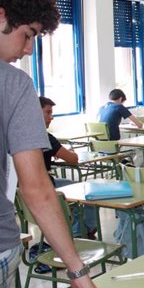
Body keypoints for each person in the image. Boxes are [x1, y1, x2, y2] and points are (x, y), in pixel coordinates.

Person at [0, 0, 120, 288]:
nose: (27, 50)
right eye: (28, 35)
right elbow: (37, 190)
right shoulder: (11, 84)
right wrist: (77, 270)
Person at [40, 97, 97, 239]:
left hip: (25, 191)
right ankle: (85, 231)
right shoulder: (44, 136)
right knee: (89, 192)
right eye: (47, 113)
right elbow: (73, 160)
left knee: (68, 183)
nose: (51, 117)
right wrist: (70, 152)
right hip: (48, 187)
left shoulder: (19, 135)